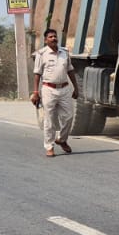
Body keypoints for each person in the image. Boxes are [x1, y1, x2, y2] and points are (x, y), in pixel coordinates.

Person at [30, 28, 79, 158]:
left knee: (68, 117)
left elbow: (70, 71)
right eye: (50, 37)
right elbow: (37, 74)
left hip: (64, 88)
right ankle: (49, 146)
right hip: (48, 89)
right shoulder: (41, 54)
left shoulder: (64, 52)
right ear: (46, 40)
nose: (53, 38)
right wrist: (35, 92)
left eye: (55, 36)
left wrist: (76, 88)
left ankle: (62, 139)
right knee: (50, 120)